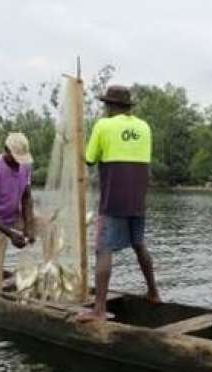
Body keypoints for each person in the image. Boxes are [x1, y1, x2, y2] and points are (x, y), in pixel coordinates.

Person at [77, 85, 161, 322]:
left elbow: (90, 159)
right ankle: (154, 292)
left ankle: (99, 309)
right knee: (139, 244)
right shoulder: (144, 127)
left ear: (109, 106)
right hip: (138, 199)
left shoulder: (104, 125)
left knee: (103, 249)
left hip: (114, 197)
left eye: (105, 106)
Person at [0, 132, 36, 292]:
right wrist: (10, 234)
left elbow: (26, 197)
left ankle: (46, 277)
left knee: (48, 226)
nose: (19, 163)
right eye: (16, 157)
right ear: (6, 151)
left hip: (13, 215)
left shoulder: (25, 166)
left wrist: (29, 226)